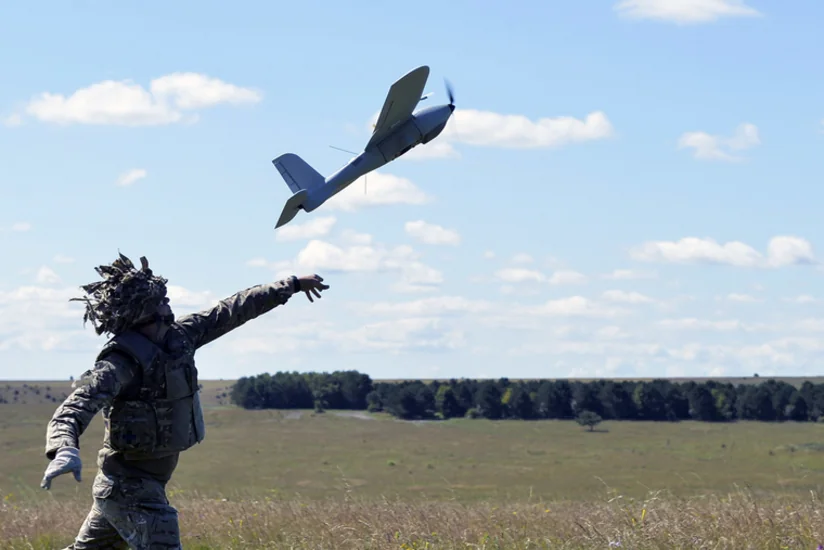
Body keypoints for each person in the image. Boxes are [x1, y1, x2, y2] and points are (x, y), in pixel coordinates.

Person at [40, 253, 329, 549]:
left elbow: (234, 309)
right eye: (161, 303)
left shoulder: (182, 336)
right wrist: (64, 449)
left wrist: (290, 285)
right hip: (129, 489)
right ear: (143, 314)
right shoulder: (120, 363)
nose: (169, 307)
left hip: (128, 488)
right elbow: (73, 410)